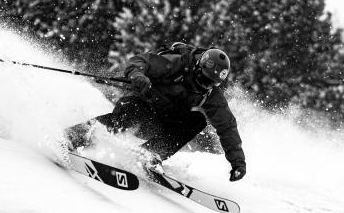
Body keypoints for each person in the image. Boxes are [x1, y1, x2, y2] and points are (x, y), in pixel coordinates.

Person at [65, 42, 246, 182]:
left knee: (197, 120)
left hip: (161, 123)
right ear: (198, 67)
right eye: (203, 79)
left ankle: (149, 155)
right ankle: (76, 134)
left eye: (210, 83)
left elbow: (227, 126)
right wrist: (138, 75)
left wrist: (238, 162)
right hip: (141, 105)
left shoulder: (210, 93)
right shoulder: (177, 63)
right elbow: (141, 61)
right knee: (132, 112)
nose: (204, 85)